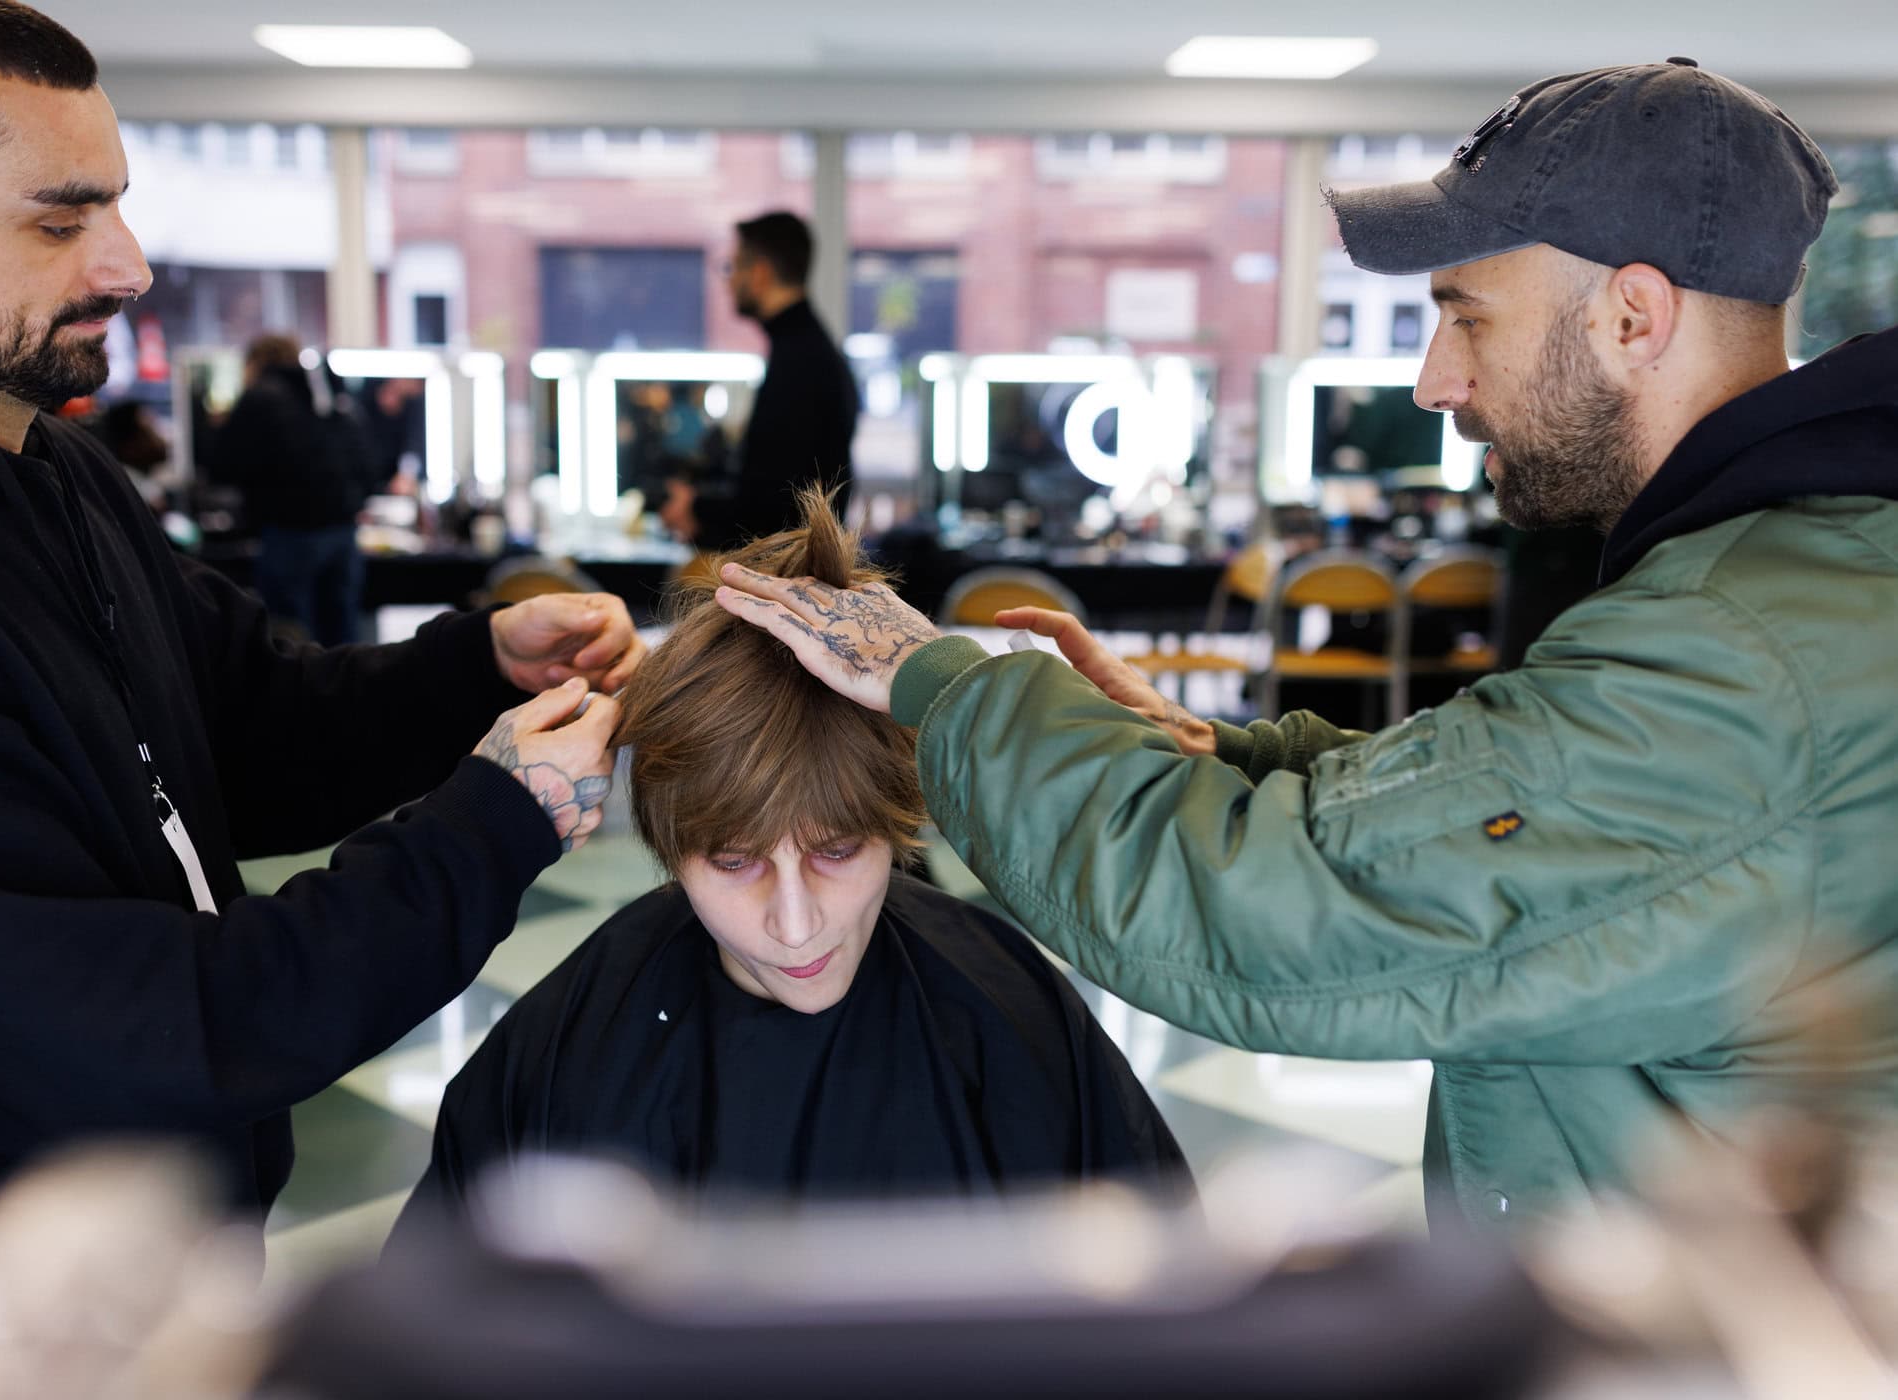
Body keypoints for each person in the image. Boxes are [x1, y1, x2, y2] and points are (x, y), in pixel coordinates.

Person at [716, 61, 1898, 1235]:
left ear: (1633, 315)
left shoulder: (1745, 659)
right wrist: (1211, 754)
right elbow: (1516, 807)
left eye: (1464, 315)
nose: (1437, 382)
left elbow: (1270, 915)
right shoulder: (1799, 583)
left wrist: (946, 685)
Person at [0, 0, 646, 1224]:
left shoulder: (58, 469)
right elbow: (138, 1025)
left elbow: (244, 724)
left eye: (118, 204)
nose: (127, 266)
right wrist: (491, 829)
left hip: (168, 1251)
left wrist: (475, 671)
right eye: (59, 219)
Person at [396, 492, 1189, 1228]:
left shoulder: (1008, 1016)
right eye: (735, 863)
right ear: (671, 847)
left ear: (895, 821)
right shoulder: (563, 1049)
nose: (797, 924)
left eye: (837, 850)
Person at [661, 211, 860, 549]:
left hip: (791, 580)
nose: (729, 281)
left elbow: (775, 507)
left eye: (734, 266)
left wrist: (696, 509)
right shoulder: (808, 350)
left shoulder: (801, 362)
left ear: (761, 274)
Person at [211, 333, 374, 646]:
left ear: (254, 362)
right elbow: (365, 461)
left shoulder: (260, 397)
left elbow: (224, 465)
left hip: (289, 532)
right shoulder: (326, 394)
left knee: (291, 640)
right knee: (342, 639)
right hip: (342, 533)